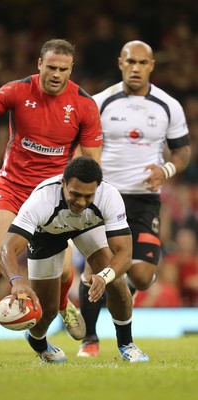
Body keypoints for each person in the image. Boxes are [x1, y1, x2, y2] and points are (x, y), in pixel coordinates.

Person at [0, 39, 103, 364]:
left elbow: (93, 163)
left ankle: (61, 305)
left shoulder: (85, 106)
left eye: (63, 69)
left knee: (59, 273)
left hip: (54, 198)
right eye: (51, 68)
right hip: (12, 190)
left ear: (71, 70)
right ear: (39, 65)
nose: (56, 74)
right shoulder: (17, 91)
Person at [77, 40, 191, 357]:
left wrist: (166, 169)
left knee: (140, 276)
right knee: (95, 268)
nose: (136, 68)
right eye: (130, 62)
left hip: (145, 200)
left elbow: (182, 151)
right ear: (120, 64)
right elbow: (81, 145)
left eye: (142, 63)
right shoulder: (100, 102)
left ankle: (120, 294)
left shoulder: (168, 105)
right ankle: (90, 340)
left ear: (152, 65)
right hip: (104, 198)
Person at [0, 156, 148, 363]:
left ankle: (126, 344)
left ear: (98, 189)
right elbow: (6, 250)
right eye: (75, 194)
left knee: (117, 282)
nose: (81, 202)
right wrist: (17, 281)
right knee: (47, 311)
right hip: (47, 234)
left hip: (87, 226)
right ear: (63, 183)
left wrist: (104, 277)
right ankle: (38, 343)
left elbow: (125, 253)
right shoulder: (41, 200)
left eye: (88, 196)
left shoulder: (109, 196)